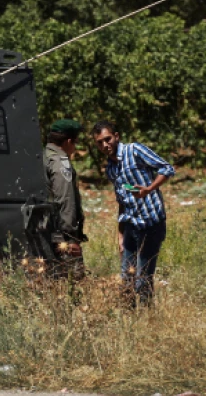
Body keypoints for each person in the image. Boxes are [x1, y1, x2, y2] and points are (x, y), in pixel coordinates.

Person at [92, 121, 175, 306]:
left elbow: (167, 168)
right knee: (127, 280)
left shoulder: (134, 151)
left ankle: (149, 320)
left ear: (117, 136)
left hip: (151, 223)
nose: (105, 145)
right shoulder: (110, 169)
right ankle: (130, 324)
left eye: (108, 139)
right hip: (131, 225)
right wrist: (120, 236)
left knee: (142, 280)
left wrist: (149, 188)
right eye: (100, 142)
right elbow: (121, 202)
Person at [44, 118, 87, 279]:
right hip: (61, 236)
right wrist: (70, 238)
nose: (75, 147)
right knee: (74, 282)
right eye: (75, 142)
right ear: (68, 141)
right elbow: (65, 199)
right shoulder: (59, 162)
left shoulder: (43, 157)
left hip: (47, 230)